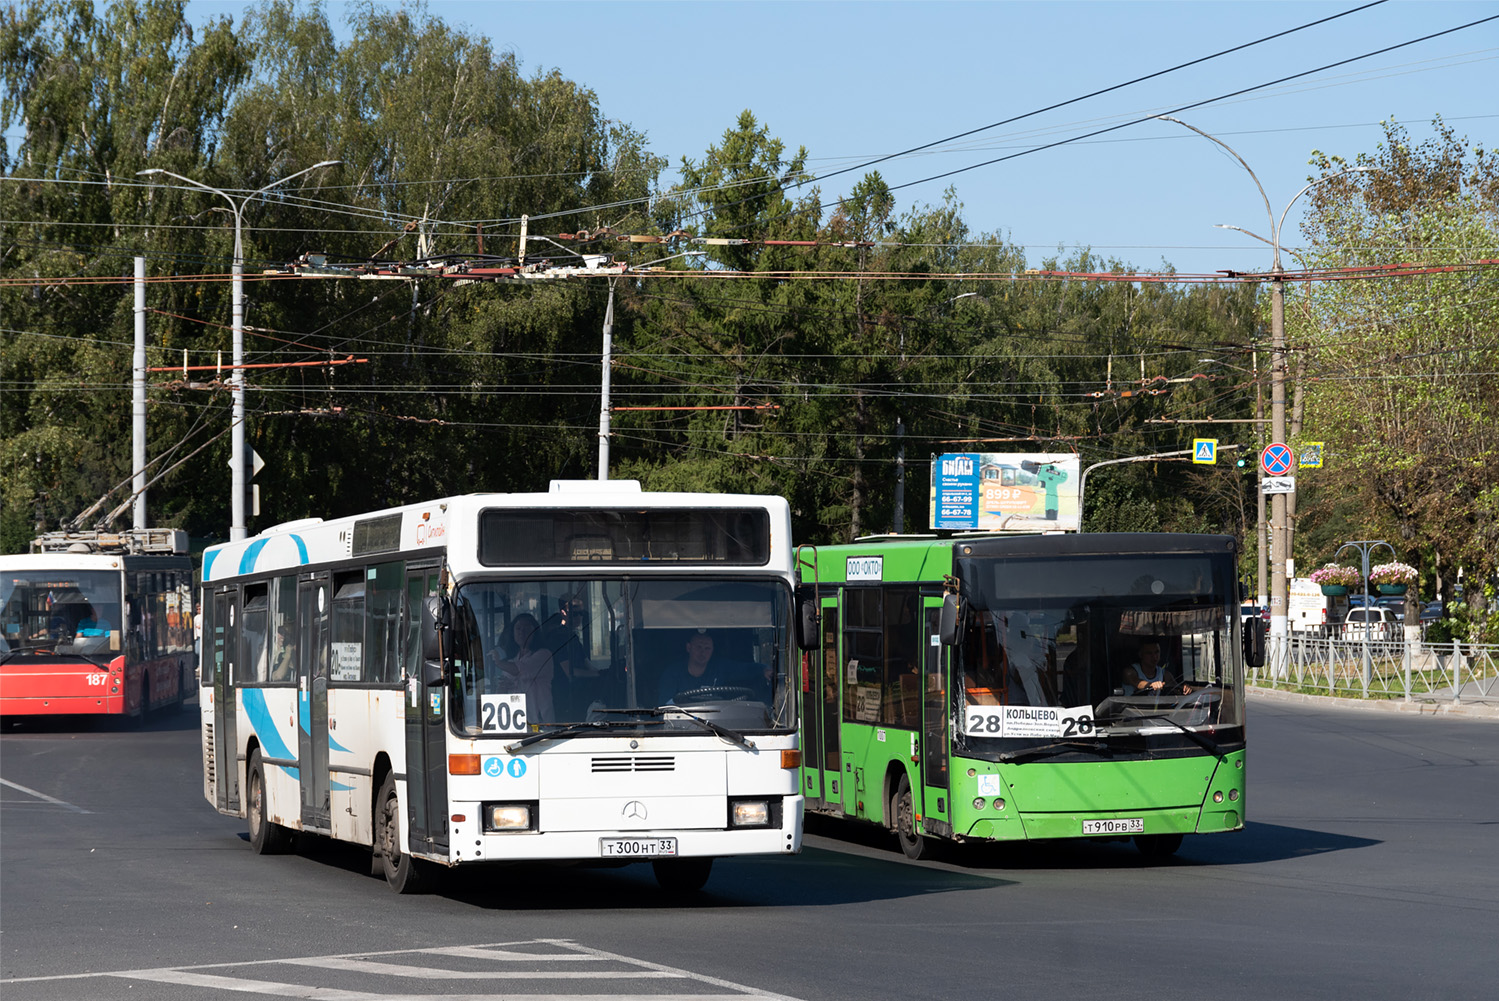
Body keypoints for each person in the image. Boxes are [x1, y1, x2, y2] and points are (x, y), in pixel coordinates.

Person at [490, 613, 555, 723]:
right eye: (518, 628)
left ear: (535, 632)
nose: (522, 632)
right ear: (513, 633)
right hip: (516, 722)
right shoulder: (512, 661)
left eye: (527, 628)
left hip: (540, 722)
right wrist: (502, 686)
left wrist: (498, 662)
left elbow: (520, 670)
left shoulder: (544, 655)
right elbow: (501, 694)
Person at [658, 629, 748, 705]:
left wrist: (762, 670)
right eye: (698, 647)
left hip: (715, 723)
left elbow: (747, 669)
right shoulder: (672, 674)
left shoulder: (719, 668)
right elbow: (664, 709)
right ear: (689, 648)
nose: (703, 652)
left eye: (707, 648)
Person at [1122, 638, 1191, 695]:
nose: (1154, 657)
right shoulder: (1130, 672)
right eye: (1149, 653)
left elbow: (1176, 688)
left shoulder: (1165, 674)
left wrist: (1185, 689)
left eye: (1156, 652)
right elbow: (1137, 682)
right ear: (1141, 654)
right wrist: (1151, 685)